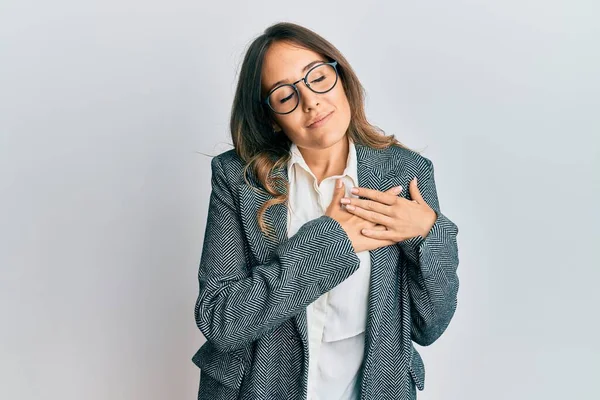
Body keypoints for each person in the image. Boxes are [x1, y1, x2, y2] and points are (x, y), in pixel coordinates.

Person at [192, 21, 460, 400]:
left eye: (317, 77)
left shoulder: (406, 173)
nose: (311, 101)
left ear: (342, 78)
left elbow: (427, 326)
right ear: (271, 115)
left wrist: (430, 235)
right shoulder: (237, 179)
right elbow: (220, 320)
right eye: (286, 96)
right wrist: (329, 242)